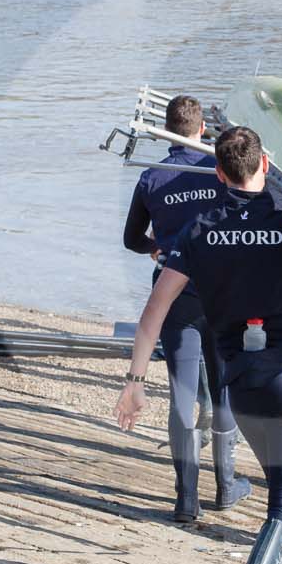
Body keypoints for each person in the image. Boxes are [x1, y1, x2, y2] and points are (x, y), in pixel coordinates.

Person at [116, 126, 282, 564]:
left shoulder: (197, 232)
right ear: (265, 164)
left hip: (241, 380)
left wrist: (134, 381)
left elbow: (155, 312)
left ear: (218, 172)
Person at [119, 93, 251, 522]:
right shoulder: (219, 169)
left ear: (165, 129)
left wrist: (158, 247)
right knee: (224, 384)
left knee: (181, 389)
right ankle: (226, 486)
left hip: (174, 292)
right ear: (201, 130)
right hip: (222, 288)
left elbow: (131, 240)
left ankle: (186, 498)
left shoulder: (152, 177)